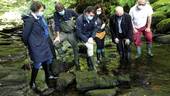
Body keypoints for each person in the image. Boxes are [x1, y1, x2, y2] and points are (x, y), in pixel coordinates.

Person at [22, 1, 55, 90]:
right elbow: (25, 36)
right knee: (37, 63)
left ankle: (48, 77)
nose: (42, 11)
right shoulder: (29, 20)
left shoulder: (39, 17)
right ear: (36, 10)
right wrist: (28, 45)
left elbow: (44, 29)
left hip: (43, 43)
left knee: (46, 59)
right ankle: (32, 82)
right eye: (41, 10)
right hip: (35, 45)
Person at [53, 2, 80, 70]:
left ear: (63, 8)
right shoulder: (56, 14)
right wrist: (58, 36)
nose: (60, 12)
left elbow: (79, 18)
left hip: (72, 33)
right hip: (63, 33)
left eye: (61, 11)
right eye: (58, 11)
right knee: (55, 43)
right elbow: (57, 25)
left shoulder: (70, 11)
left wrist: (77, 25)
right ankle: (63, 58)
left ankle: (76, 61)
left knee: (75, 47)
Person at [110, 6, 133, 71]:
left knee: (127, 48)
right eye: (118, 12)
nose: (120, 14)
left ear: (123, 11)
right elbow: (111, 29)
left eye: (121, 12)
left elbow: (130, 28)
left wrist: (128, 38)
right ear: (115, 12)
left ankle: (128, 64)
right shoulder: (112, 17)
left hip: (126, 34)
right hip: (118, 35)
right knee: (120, 49)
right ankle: (121, 62)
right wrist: (114, 37)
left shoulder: (127, 16)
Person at [76, 6, 98, 71]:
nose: (92, 16)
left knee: (91, 48)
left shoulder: (94, 17)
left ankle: (91, 64)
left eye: (93, 15)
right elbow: (78, 33)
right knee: (90, 48)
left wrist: (92, 37)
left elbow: (95, 28)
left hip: (90, 36)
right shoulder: (79, 19)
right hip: (83, 37)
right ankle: (92, 66)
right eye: (91, 15)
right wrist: (87, 40)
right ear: (86, 13)